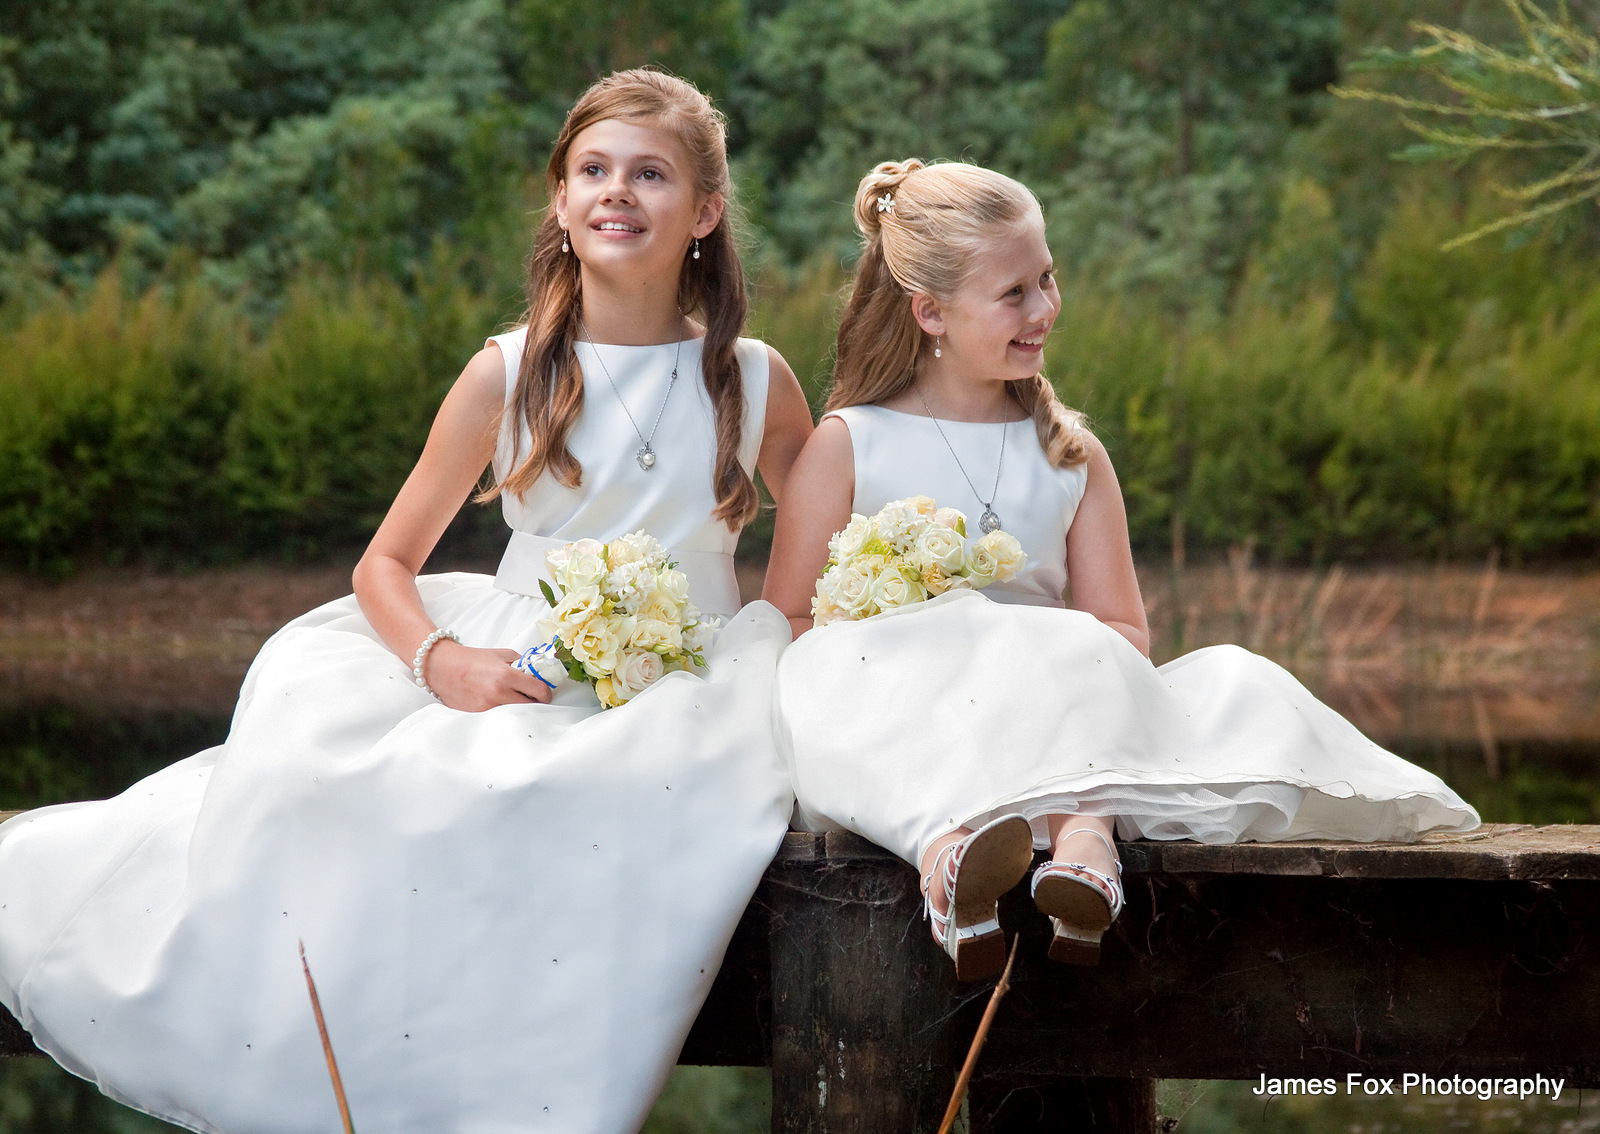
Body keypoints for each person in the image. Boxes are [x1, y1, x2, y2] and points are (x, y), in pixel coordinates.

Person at [0, 69, 813, 1132]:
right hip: (519, 662)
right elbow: (382, 565)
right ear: (561, 201)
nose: (618, 191)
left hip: (693, 675)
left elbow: (817, 550)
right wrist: (446, 662)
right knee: (404, 787)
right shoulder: (508, 374)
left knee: (638, 795)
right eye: (593, 170)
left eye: (651, 174)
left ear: (704, 212)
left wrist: (785, 637)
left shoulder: (754, 379)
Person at [762, 158, 1478, 983]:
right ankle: (949, 861)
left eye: (1047, 279)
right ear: (931, 312)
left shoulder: (1070, 455)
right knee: (824, 675)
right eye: (1014, 294)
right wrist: (920, 644)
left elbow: (1122, 631)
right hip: (902, 716)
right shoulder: (850, 445)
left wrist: (1020, 662)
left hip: (1048, 712)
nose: (1044, 308)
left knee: (1167, 668)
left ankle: (1084, 849)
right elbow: (793, 620)